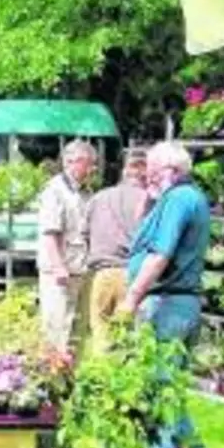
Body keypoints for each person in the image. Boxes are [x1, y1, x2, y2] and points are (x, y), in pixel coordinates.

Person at [118, 140, 213, 448]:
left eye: (153, 172)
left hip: (168, 302)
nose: (148, 178)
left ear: (172, 171)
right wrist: (150, 194)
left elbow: (160, 254)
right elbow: (141, 227)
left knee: (161, 384)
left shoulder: (178, 200)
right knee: (170, 383)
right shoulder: (182, 197)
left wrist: (132, 297)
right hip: (179, 302)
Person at [84, 149, 151, 354]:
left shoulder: (99, 198)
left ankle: (100, 382)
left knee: (102, 339)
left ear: (124, 170)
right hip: (134, 276)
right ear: (145, 172)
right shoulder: (150, 201)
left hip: (102, 274)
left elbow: (85, 234)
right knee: (130, 341)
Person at [37, 140, 97, 351]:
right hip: (60, 273)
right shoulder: (55, 190)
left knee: (78, 330)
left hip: (81, 269)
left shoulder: (86, 192)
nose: (93, 169)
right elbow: (50, 232)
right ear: (73, 161)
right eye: (90, 163)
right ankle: (53, 381)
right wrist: (58, 266)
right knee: (57, 328)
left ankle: (73, 379)